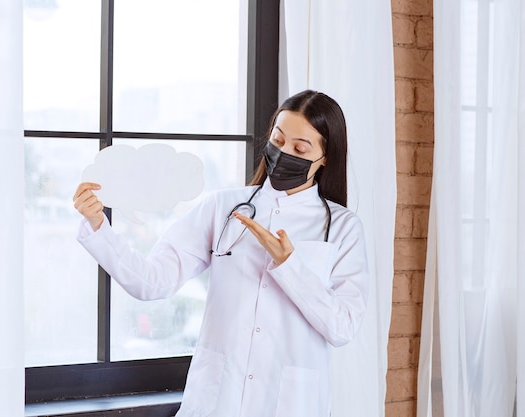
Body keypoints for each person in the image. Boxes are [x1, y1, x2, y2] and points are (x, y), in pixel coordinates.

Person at [73, 89, 369, 417]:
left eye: (300, 148)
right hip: (217, 400)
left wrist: (289, 264)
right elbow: (152, 281)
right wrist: (99, 226)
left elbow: (342, 327)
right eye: (278, 140)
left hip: (290, 403)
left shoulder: (342, 228)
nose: (284, 152)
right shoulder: (223, 208)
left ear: (325, 157)